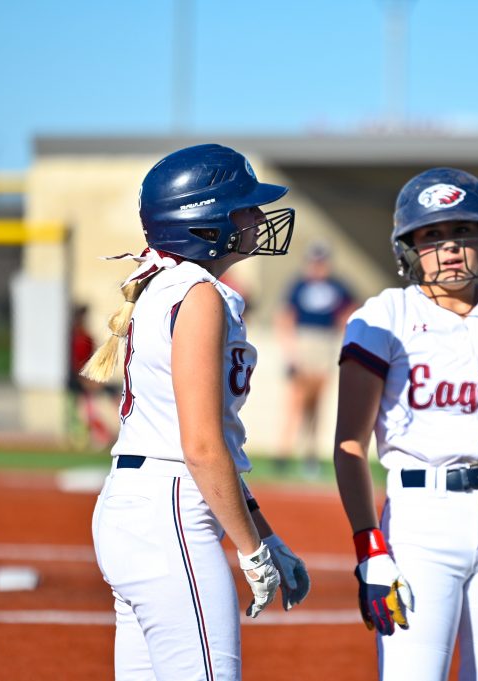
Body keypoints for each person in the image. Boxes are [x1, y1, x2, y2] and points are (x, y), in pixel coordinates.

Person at [83, 144, 310, 679]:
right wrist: (253, 551)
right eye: (244, 206)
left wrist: (266, 534)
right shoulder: (200, 293)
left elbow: (209, 448)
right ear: (206, 220)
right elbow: (203, 447)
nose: (257, 217)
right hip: (172, 509)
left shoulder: (164, 284)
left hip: (135, 505)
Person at [333, 167, 478, 681]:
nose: (449, 247)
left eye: (462, 231)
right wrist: (369, 547)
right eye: (432, 235)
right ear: (408, 247)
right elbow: (349, 444)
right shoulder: (385, 315)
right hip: (421, 519)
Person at [275, 240, 355, 477]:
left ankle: (310, 455)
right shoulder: (299, 285)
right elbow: (286, 317)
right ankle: (284, 453)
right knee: (297, 401)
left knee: (317, 404)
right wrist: (291, 351)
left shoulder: (338, 286)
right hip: (304, 343)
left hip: (325, 344)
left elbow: (350, 312)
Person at [67, 303, 113, 448]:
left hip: (83, 378)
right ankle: (82, 437)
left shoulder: (85, 336)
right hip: (76, 378)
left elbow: (89, 359)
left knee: (88, 410)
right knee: (81, 411)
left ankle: (99, 436)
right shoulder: (74, 336)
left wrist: (90, 377)